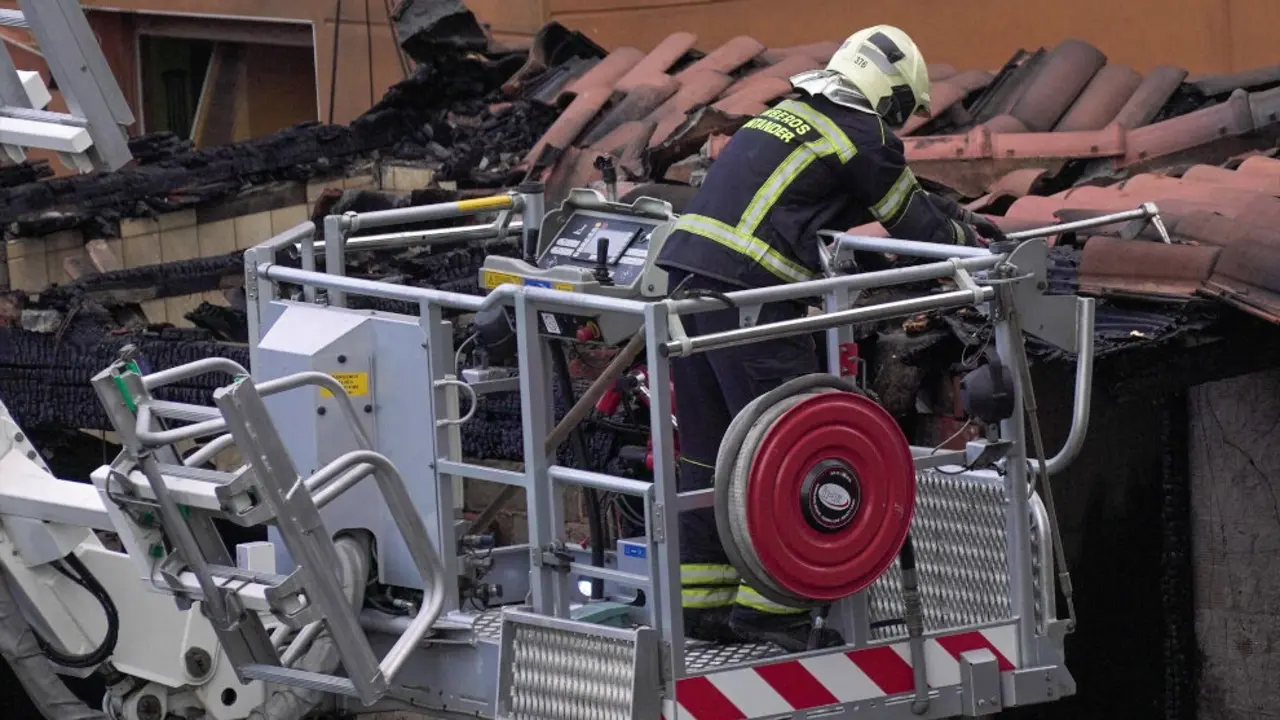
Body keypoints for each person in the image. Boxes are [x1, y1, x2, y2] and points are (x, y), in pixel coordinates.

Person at [655, 25, 1007, 651]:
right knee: (795, 448)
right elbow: (912, 221)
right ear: (887, 92)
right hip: (754, 303)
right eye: (902, 108)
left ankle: (700, 605)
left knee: (710, 452)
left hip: (687, 287)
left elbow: (820, 203)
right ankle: (774, 612)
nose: (900, 122)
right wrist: (972, 243)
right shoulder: (863, 132)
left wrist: (945, 211)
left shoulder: (789, 115)